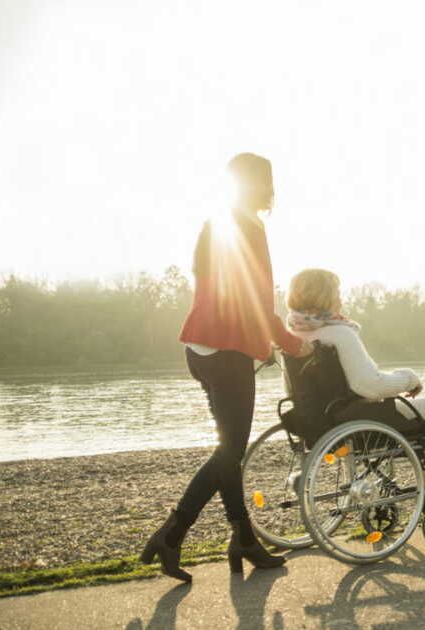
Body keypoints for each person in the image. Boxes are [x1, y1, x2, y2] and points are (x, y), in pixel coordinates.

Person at [141, 153, 312, 582]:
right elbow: (255, 298)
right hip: (228, 351)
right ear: (263, 185)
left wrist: (262, 339)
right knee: (229, 451)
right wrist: (291, 344)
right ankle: (174, 532)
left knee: (229, 451)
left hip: (201, 349)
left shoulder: (214, 224)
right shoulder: (250, 228)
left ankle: (242, 537)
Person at [285, 268, 425, 513]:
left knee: (421, 420)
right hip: (358, 421)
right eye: (337, 292)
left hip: (321, 424)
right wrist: (408, 378)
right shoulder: (339, 334)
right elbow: (369, 386)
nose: (341, 298)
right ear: (324, 297)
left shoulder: (294, 335)